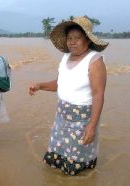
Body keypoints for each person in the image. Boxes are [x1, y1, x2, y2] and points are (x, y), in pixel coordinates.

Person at [28, 16, 109, 175]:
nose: (72, 42)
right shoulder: (65, 58)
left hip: (82, 119)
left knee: (77, 162)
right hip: (62, 116)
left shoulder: (94, 60)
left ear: (87, 40)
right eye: (69, 38)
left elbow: (98, 94)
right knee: (57, 159)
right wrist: (39, 86)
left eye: (77, 38)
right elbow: (59, 84)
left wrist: (91, 127)